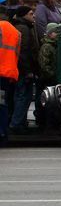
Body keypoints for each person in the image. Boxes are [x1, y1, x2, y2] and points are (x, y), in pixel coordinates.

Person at [9, 0, 39, 133]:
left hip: (21, 69)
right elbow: (24, 52)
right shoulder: (24, 29)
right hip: (23, 70)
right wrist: (28, 71)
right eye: (31, 13)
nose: (34, 16)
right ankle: (17, 124)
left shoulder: (25, 27)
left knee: (22, 96)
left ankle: (19, 122)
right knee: (23, 96)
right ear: (24, 15)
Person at [0, 12, 20, 145]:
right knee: (2, 103)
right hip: (8, 73)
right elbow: (16, 54)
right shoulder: (16, 32)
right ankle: (3, 133)